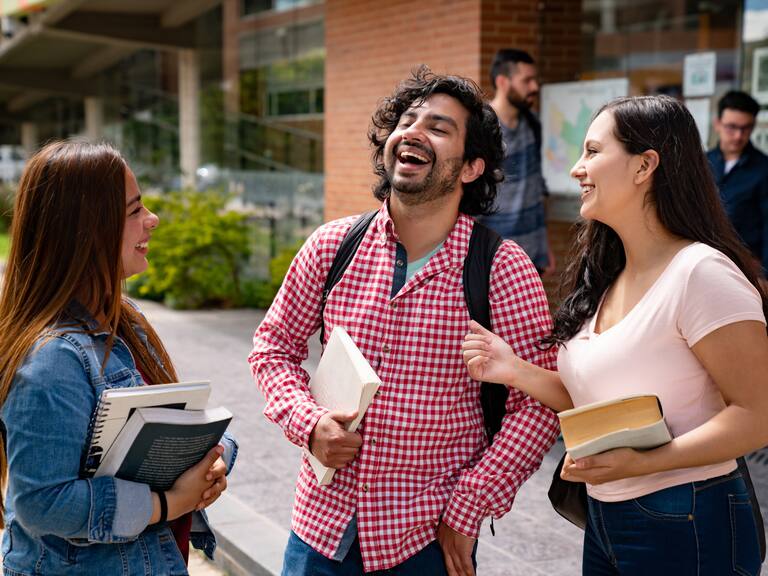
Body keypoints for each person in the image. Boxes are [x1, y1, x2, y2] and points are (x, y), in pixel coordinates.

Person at [249, 67, 559, 576]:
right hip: (320, 531)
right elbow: (273, 347)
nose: (412, 132)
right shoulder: (333, 246)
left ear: (470, 168)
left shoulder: (501, 267)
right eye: (407, 121)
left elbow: (537, 404)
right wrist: (308, 424)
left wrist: (471, 505)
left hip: (426, 537)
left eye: (438, 127)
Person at [463, 95, 768, 575]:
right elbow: (596, 398)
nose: (576, 170)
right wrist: (513, 370)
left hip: (687, 515)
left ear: (646, 165)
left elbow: (756, 417)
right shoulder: (608, 277)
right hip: (609, 517)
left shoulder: (701, 273)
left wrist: (645, 463)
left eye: (592, 151)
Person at [0, 140, 237, 575]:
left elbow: (158, 433)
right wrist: (170, 502)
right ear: (83, 230)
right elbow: (42, 503)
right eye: (133, 211)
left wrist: (213, 459)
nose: (153, 220)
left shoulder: (124, 319)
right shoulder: (53, 359)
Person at [479, 48, 555, 275]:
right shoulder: (481, 129)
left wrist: (544, 245)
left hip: (532, 255)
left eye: (535, 80)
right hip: (492, 258)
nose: (535, 87)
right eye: (527, 80)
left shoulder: (533, 123)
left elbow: (536, 186)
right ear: (503, 82)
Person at [707, 90, 768, 276]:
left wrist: (765, 274)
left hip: (746, 266)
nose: (738, 136)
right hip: (704, 259)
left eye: (746, 128)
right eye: (731, 127)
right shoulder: (701, 163)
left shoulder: (764, 168)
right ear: (718, 124)